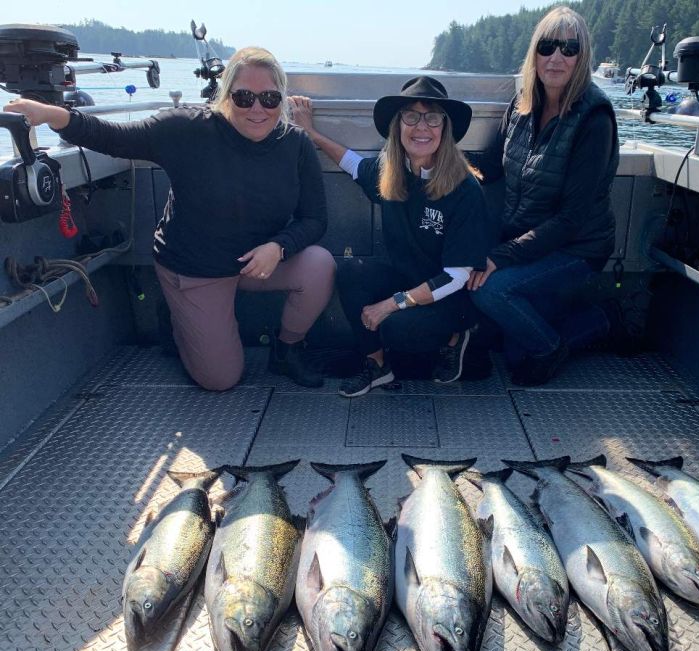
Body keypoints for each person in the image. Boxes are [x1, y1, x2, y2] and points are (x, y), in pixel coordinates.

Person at [4, 47, 335, 391]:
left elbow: (315, 219)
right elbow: (114, 137)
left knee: (319, 265)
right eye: (243, 97)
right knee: (220, 380)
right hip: (196, 269)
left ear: (281, 98)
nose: (257, 108)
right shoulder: (186, 130)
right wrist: (52, 114)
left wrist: (278, 248)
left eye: (269, 98)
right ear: (225, 96)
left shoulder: (295, 143)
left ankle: (287, 349)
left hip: (257, 262)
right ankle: (177, 320)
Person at [290, 77, 491, 397]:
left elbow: (456, 277)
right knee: (351, 271)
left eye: (433, 117)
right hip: (408, 277)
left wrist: (391, 304)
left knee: (397, 327)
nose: (421, 126)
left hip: (453, 299)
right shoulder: (390, 172)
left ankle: (455, 339)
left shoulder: (464, 189)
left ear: (445, 128)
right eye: (411, 115)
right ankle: (376, 366)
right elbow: (353, 165)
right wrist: (310, 132)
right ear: (398, 126)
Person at [467, 6, 620, 386]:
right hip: (529, 242)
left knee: (491, 292)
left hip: (578, 247)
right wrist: (434, 160)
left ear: (582, 58)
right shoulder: (521, 106)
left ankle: (554, 347)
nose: (556, 57)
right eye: (547, 46)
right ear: (534, 52)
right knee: (511, 348)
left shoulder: (593, 120)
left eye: (569, 49)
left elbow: (571, 220)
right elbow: (490, 168)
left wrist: (500, 257)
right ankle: (600, 319)